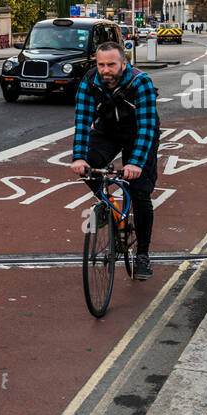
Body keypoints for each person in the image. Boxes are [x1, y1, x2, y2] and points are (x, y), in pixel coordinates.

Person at [70, 40, 160, 280]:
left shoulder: (140, 83)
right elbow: (82, 123)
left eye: (111, 64)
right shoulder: (89, 82)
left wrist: (135, 163)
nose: (105, 70)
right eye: (101, 64)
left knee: (140, 192)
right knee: (87, 166)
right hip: (107, 131)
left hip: (138, 133)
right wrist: (78, 157)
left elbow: (147, 127)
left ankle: (142, 255)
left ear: (124, 63)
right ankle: (108, 204)